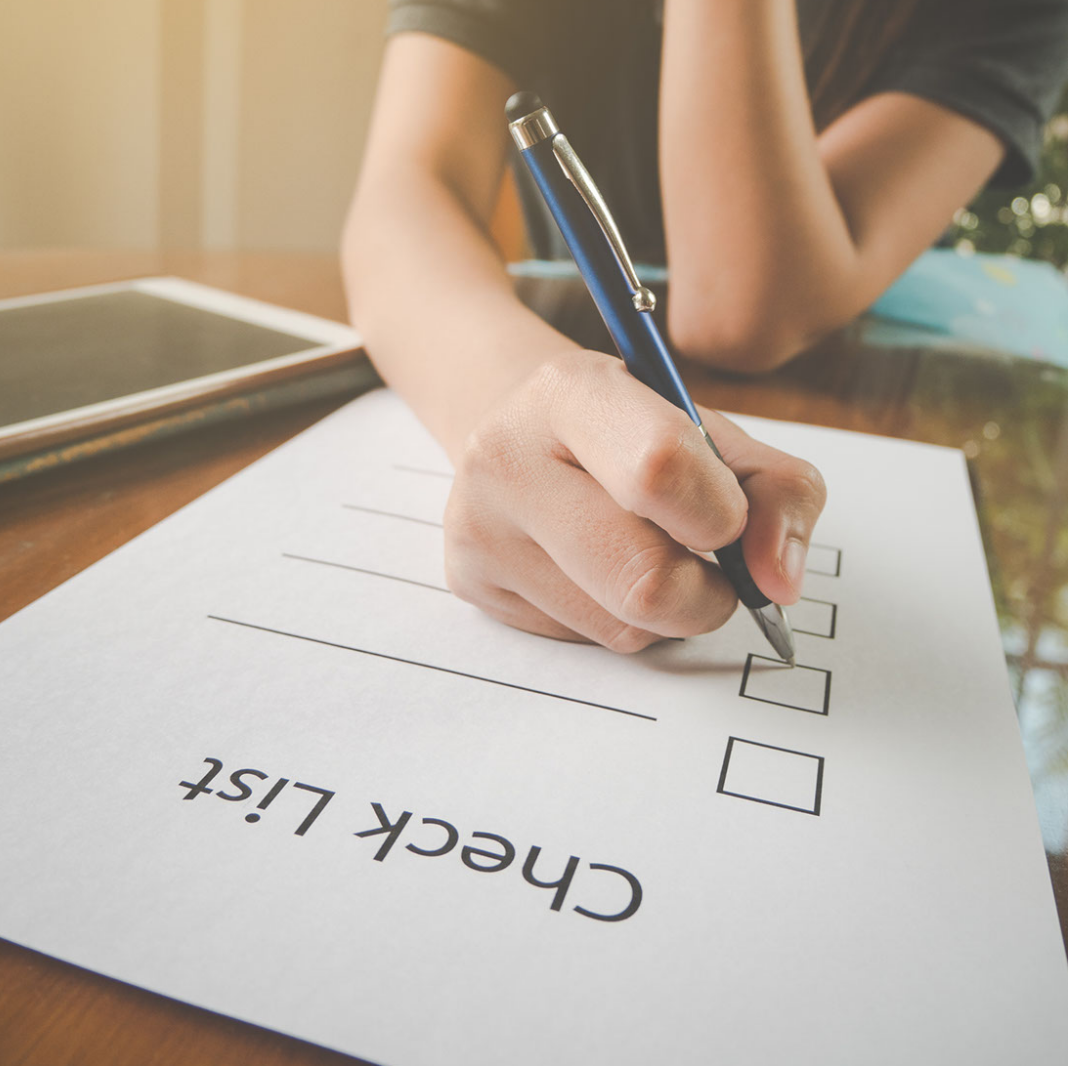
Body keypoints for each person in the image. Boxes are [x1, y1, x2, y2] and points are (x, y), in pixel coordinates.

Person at [342, 0, 1068, 653]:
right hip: (560, 346)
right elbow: (401, 203)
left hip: (852, 379)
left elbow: (741, 310)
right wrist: (532, 406)